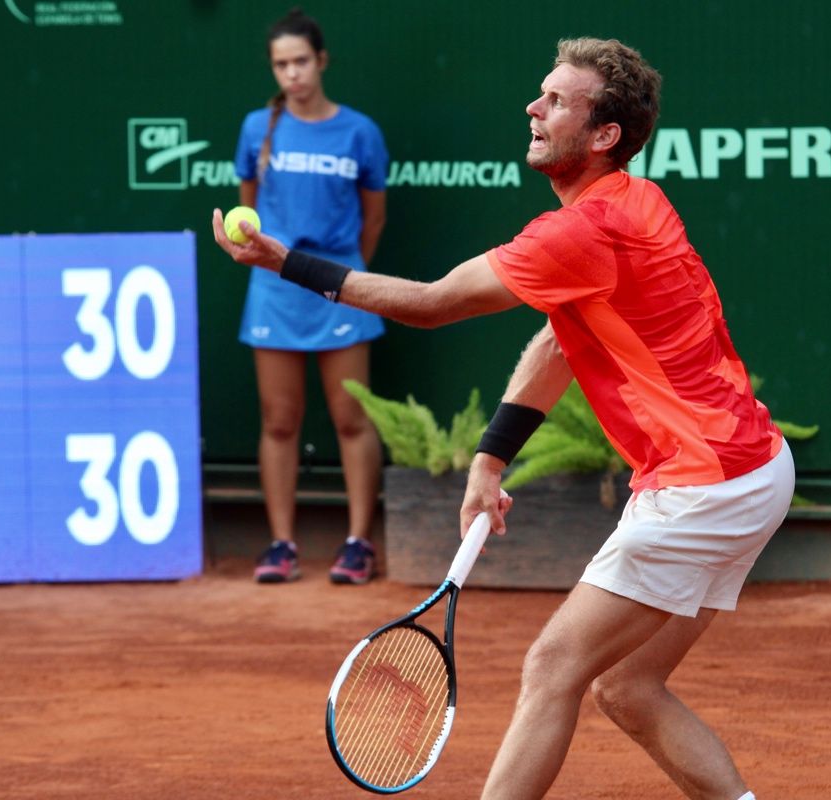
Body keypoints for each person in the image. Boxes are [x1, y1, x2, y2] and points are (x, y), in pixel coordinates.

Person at [214, 36, 793, 800]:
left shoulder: (578, 232)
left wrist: (286, 262)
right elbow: (560, 337)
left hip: (702, 484)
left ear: (604, 134)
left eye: (556, 100)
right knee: (626, 687)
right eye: (540, 92)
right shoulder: (634, 200)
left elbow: (427, 304)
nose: (533, 106)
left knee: (553, 666)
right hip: (755, 469)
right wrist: (490, 461)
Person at [231, 8, 388, 585]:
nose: (292, 73)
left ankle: (357, 543)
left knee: (351, 417)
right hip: (273, 293)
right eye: (281, 64)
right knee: (279, 420)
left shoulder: (360, 132)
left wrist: (349, 276)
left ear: (321, 61)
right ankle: (281, 543)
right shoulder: (257, 128)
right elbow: (251, 206)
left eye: (300, 61)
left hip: (339, 286)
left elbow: (373, 219)